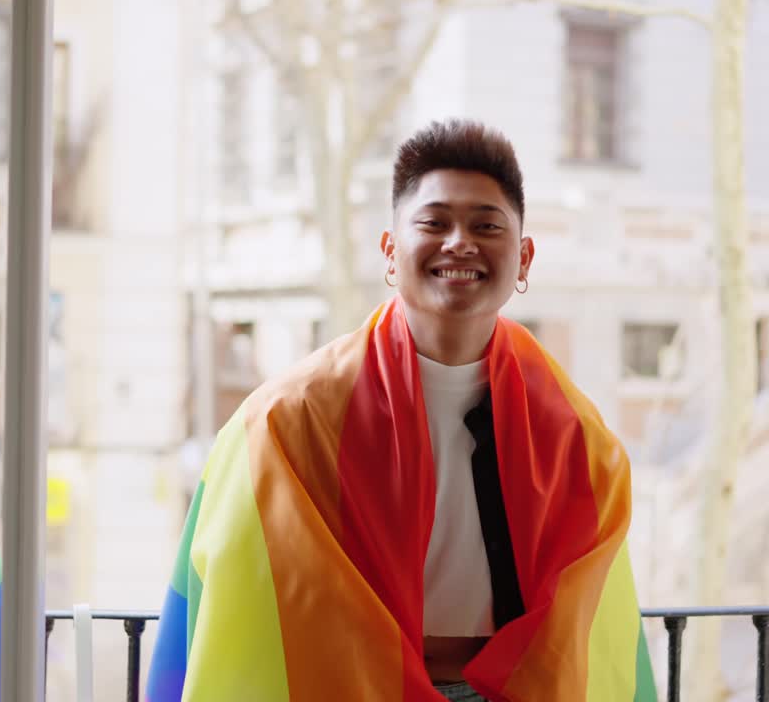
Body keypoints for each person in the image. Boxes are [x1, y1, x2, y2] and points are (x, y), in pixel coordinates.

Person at [146, 119, 656, 701]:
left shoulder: (574, 434)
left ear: (523, 259)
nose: (459, 242)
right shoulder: (287, 423)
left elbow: (592, 611)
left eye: (486, 225)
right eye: (434, 222)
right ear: (391, 252)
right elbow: (236, 594)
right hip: (350, 687)